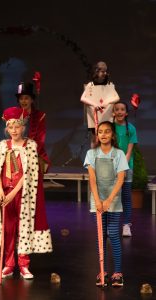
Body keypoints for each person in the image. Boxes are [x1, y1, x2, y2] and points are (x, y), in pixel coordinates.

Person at [0, 106, 53, 280]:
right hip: (4, 194)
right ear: (6, 128)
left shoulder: (30, 146)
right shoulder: (2, 146)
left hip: (23, 194)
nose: (14, 130)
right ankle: (9, 264)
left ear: (23, 127)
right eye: (11, 127)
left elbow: (30, 174)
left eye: (17, 126)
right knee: (8, 229)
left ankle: (23, 264)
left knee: (24, 228)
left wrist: (14, 193)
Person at [84, 121, 129, 287]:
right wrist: (97, 200)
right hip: (97, 199)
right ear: (97, 135)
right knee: (101, 236)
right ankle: (102, 270)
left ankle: (118, 272)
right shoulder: (91, 153)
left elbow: (121, 178)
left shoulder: (118, 154)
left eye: (107, 131)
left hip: (113, 199)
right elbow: (92, 178)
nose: (103, 134)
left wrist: (109, 199)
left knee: (113, 234)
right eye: (100, 132)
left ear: (112, 135)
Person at [113, 101, 138, 237]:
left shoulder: (131, 128)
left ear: (126, 113)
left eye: (122, 109)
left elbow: (129, 151)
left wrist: (122, 166)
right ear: (113, 112)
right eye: (117, 109)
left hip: (127, 167)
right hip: (112, 167)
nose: (120, 112)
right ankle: (113, 226)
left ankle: (126, 225)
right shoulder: (110, 128)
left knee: (126, 197)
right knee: (114, 197)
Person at [81, 61, 120, 147]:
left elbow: (117, 97)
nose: (104, 73)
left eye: (105, 71)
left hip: (106, 116)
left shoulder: (109, 85)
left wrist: (108, 102)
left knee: (108, 137)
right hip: (94, 116)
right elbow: (83, 98)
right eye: (102, 71)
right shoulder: (90, 85)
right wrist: (94, 104)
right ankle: (93, 157)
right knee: (95, 138)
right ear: (97, 71)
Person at [15, 81, 51, 173]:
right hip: (16, 152)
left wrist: (29, 153)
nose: (23, 101)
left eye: (26, 98)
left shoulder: (40, 116)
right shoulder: (14, 116)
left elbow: (40, 139)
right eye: (21, 98)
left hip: (35, 153)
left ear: (32, 100)